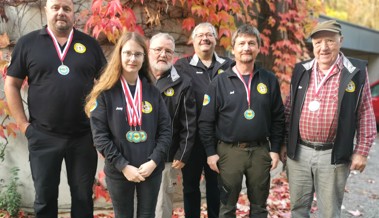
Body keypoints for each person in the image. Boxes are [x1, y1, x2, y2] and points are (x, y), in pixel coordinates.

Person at [4, 0, 106, 217]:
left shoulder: (90, 45)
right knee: (45, 197)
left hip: (83, 137)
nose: (61, 12)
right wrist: (24, 126)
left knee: (83, 198)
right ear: (46, 10)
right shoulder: (28, 43)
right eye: (56, 7)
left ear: (73, 14)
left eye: (67, 8)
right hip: (42, 135)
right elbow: (11, 84)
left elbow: (106, 85)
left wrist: (100, 123)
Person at [281, 20, 377, 218]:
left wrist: (362, 151)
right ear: (313, 46)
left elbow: (365, 112)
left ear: (340, 41)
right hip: (299, 153)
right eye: (318, 42)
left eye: (330, 41)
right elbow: (289, 110)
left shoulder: (355, 72)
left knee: (329, 213)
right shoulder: (301, 70)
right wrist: (283, 143)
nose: (323, 47)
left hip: (332, 154)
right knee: (297, 210)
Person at [198, 24, 284, 218]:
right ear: (233, 48)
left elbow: (278, 116)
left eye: (251, 43)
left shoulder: (269, 80)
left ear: (259, 48)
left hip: (261, 151)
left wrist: (275, 148)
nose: (246, 48)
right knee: (227, 207)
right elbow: (206, 121)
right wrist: (211, 153)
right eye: (242, 43)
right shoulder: (219, 82)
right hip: (229, 152)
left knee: (260, 207)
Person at [85, 32, 171, 218]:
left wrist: (154, 161)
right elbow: (100, 137)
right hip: (119, 171)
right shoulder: (105, 93)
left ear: (144, 58)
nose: (133, 58)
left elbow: (165, 130)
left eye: (138, 54)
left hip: (150, 170)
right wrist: (123, 166)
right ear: (119, 55)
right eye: (128, 53)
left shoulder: (153, 92)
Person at [174, 22, 232, 218]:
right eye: (199, 35)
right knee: (190, 187)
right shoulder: (181, 66)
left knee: (216, 187)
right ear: (192, 41)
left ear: (216, 39)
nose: (204, 38)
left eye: (209, 34)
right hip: (192, 139)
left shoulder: (229, 65)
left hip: (220, 140)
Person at [148, 33, 197, 218]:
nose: (163, 54)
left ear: (173, 55)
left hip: (166, 156)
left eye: (168, 51)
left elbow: (189, 123)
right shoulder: (136, 76)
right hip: (135, 152)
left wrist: (183, 153)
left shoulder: (183, 83)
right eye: (158, 49)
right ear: (149, 51)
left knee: (161, 205)